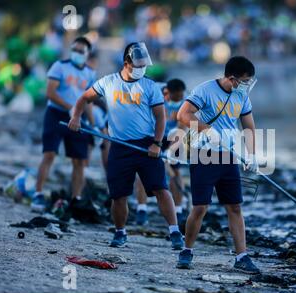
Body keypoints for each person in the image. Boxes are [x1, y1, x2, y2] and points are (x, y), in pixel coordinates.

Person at [68, 42, 184, 249]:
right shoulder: (108, 82)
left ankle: (175, 232)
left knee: (160, 188)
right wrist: (76, 117)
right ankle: (120, 232)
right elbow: (84, 98)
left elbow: (160, 118)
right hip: (119, 146)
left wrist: (157, 144)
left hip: (147, 145)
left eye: (144, 65)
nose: (142, 69)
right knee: (119, 194)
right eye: (138, 65)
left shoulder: (149, 86)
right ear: (126, 63)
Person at [175, 56, 260, 273]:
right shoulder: (205, 90)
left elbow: (248, 126)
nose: (247, 85)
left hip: (228, 156)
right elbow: (183, 114)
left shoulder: (242, 97)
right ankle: (187, 250)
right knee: (201, 206)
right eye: (245, 80)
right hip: (203, 154)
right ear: (232, 79)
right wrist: (207, 130)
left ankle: (242, 256)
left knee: (234, 206)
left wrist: (252, 156)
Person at [31, 37, 95, 212]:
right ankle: (38, 193)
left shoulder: (90, 73)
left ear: (88, 53)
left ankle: (76, 198)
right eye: (75, 49)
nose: (77, 53)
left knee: (79, 161)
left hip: (77, 118)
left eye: (81, 51)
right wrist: (71, 107)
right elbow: (50, 92)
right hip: (56, 114)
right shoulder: (59, 66)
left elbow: (88, 100)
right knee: (49, 154)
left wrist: (93, 123)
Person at [134, 79, 188, 227]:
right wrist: (155, 144)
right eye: (175, 98)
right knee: (143, 172)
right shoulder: (154, 93)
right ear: (167, 93)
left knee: (175, 171)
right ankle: (141, 209)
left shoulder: (186, 100)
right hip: (153, 134)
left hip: (173, 136)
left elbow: (182, 127)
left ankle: (178, 209)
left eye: (180, 98)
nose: (178, 101)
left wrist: (170, 150)